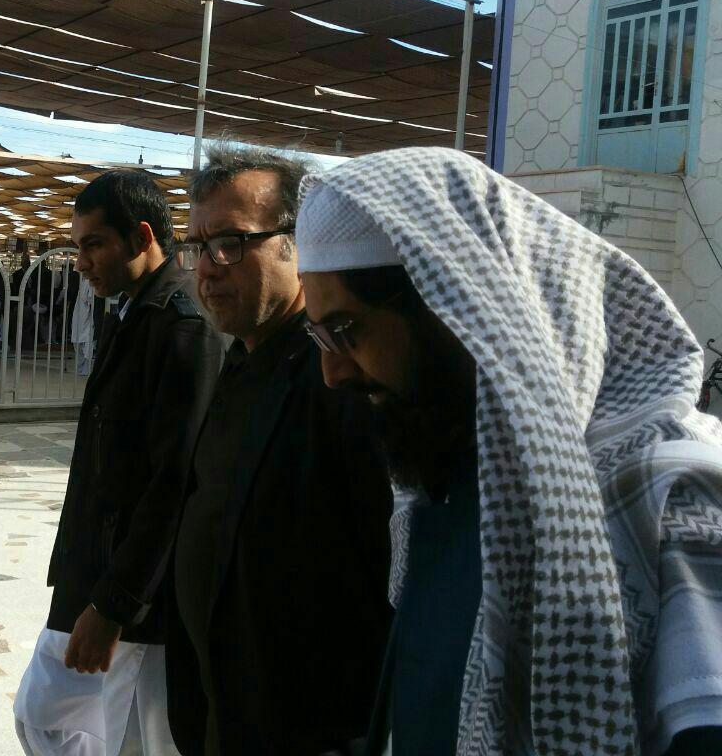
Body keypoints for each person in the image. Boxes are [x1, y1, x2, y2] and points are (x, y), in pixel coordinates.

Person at [294, 147, 722, 756]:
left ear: (454, 311)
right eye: (318, 335)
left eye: (345, 331)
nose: (332, 372)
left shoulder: (670, 494)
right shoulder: (442, 482)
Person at [166, 145, 394, 756]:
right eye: (197, 247)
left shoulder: (340, 376)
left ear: (297, 243)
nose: (208, 268)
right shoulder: (243, 360)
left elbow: (386, 569)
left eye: (231, 243)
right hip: (228, 714)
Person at [15, 170, 223, 756]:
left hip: (139, 603)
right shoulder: (133, 311)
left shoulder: (182, 327)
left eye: (94, 244)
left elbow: (174, 483)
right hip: (98, 572)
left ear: (142, 237)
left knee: (135, 741)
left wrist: (116, 604)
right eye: (77, 246)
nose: (80, 262)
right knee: (43, 716)